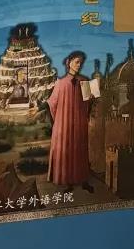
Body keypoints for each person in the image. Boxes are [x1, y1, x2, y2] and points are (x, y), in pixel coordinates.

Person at [45, 50, 94, 192]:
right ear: (69, 63)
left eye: (81, 62)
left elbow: (89, 104)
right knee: (66, 150)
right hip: (64, 124)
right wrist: (57, 124)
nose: (79, 65)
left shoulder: (85, 81)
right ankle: (68, 182)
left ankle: (83, 180)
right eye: (77, 62)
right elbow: (52, 104)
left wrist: (91, 100)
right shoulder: (60, 83)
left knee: (80, 150)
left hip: (79, 123)